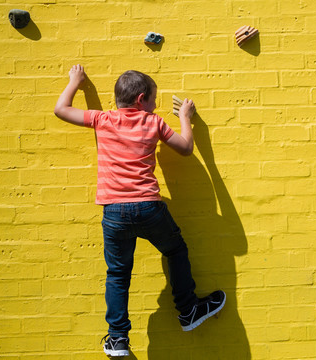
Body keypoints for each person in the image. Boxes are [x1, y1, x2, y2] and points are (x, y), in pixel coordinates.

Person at [54, 65, 226, 357]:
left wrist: (75, 82)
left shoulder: (102, 119)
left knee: (118, 274)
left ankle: (118, 338)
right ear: (141, 99)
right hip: (149, 207)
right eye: (154, 99)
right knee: (175, 250)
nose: (156, 105)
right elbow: (185, 148)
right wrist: (185, 118)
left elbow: (61, 109)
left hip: (114, 212)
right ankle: (187, 309)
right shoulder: (153, 122)